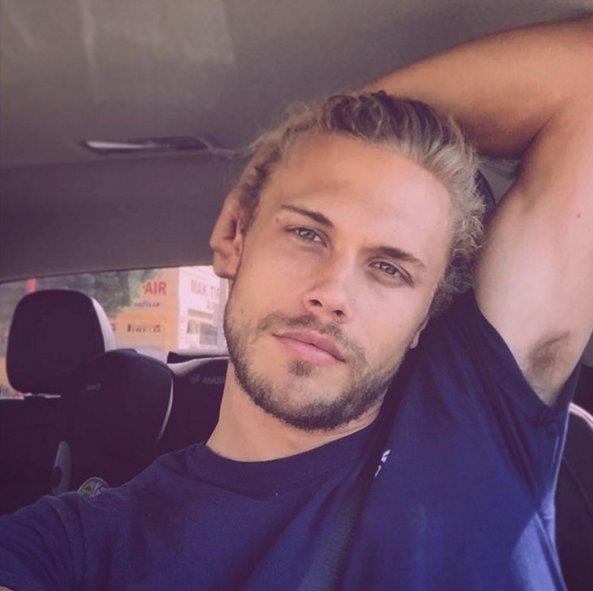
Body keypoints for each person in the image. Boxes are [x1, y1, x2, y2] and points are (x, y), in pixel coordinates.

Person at [1, 15, 592, 591]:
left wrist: (298, 141)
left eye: (389, 269)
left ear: (424, 317)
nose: (331, 292)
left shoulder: (479, 415)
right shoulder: (78, 543)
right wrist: (300, 144)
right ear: (235, 241)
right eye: (307, 233)